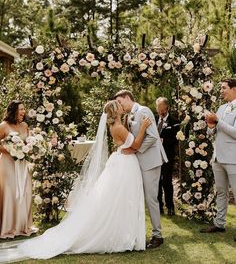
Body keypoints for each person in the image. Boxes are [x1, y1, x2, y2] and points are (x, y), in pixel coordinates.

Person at [0, 100, 151, 262]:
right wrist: (143, 128)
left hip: (123, 162)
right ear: (116, 111)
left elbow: (128, 145)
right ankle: (123, 235)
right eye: (120, 106)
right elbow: (135, 144)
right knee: (122, 200)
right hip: (124, 165)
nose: (123, 106)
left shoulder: (118, 126)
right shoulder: (119, 128)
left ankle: (125, 233)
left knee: (120, 200)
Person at [114, 90, 168, 249]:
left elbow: (152, 136)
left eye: (120, 101)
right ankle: (138, 233)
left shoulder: (143, 111)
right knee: (138, 198)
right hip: (138, 162)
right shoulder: (129, 115)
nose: (119, 105)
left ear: (127, 98)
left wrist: (135, 150)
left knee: (151, 199)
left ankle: (157, 235)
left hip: (150, 161)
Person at [200, 78, 236, 239]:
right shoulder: (221, 108)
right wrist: (210, 127)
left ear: (234, 89)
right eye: (220, 88)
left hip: (233, 158)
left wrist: (218, 121)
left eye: (224, 88)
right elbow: (213, 132)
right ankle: (219, 223)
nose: (221, 91)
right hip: (218, 157)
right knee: (221, 192)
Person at [0, 100, 33, 239]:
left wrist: (31, 147)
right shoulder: (3, 126)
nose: (23, 112)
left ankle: (21, 226)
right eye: (21, 109)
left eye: (24, 109)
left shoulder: (25, 125)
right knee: (10, 192)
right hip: (7, 164)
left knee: (24, 192)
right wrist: (10, 150)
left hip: (22, 164)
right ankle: (8, 227)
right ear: (13, 111)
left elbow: (28, 142)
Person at [155, 97, 180, 216]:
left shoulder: (175, 121)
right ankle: (158, 206)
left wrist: (163, 140)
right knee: (156, 182)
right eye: (158, 110)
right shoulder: (153, 120)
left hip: (167, 155)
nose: (160, 113)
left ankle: (170, 206)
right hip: (154, 156)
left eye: (162, 110)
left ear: (167, 108)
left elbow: (177, 140)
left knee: (166, 181)